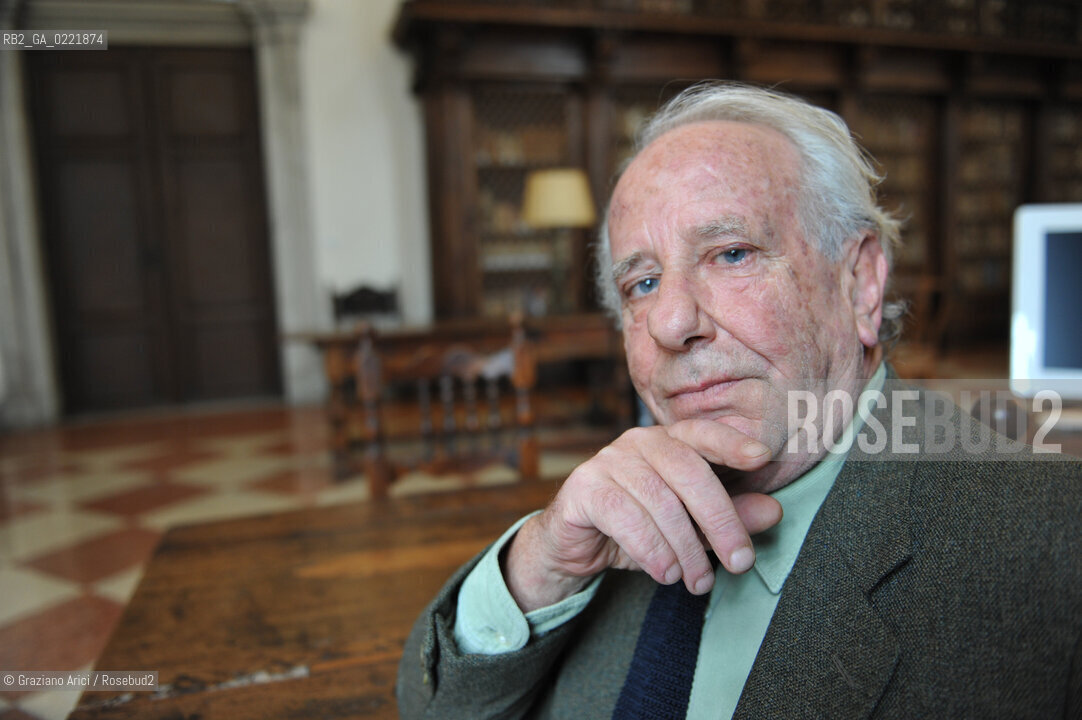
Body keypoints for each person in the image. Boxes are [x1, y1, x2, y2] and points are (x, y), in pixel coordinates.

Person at [396, 82, 1082, 719]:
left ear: (861, 284)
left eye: (731, 254)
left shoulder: (1054, 542)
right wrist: (537, 568)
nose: (670, 323)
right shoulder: (599, 521)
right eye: (641, 284)